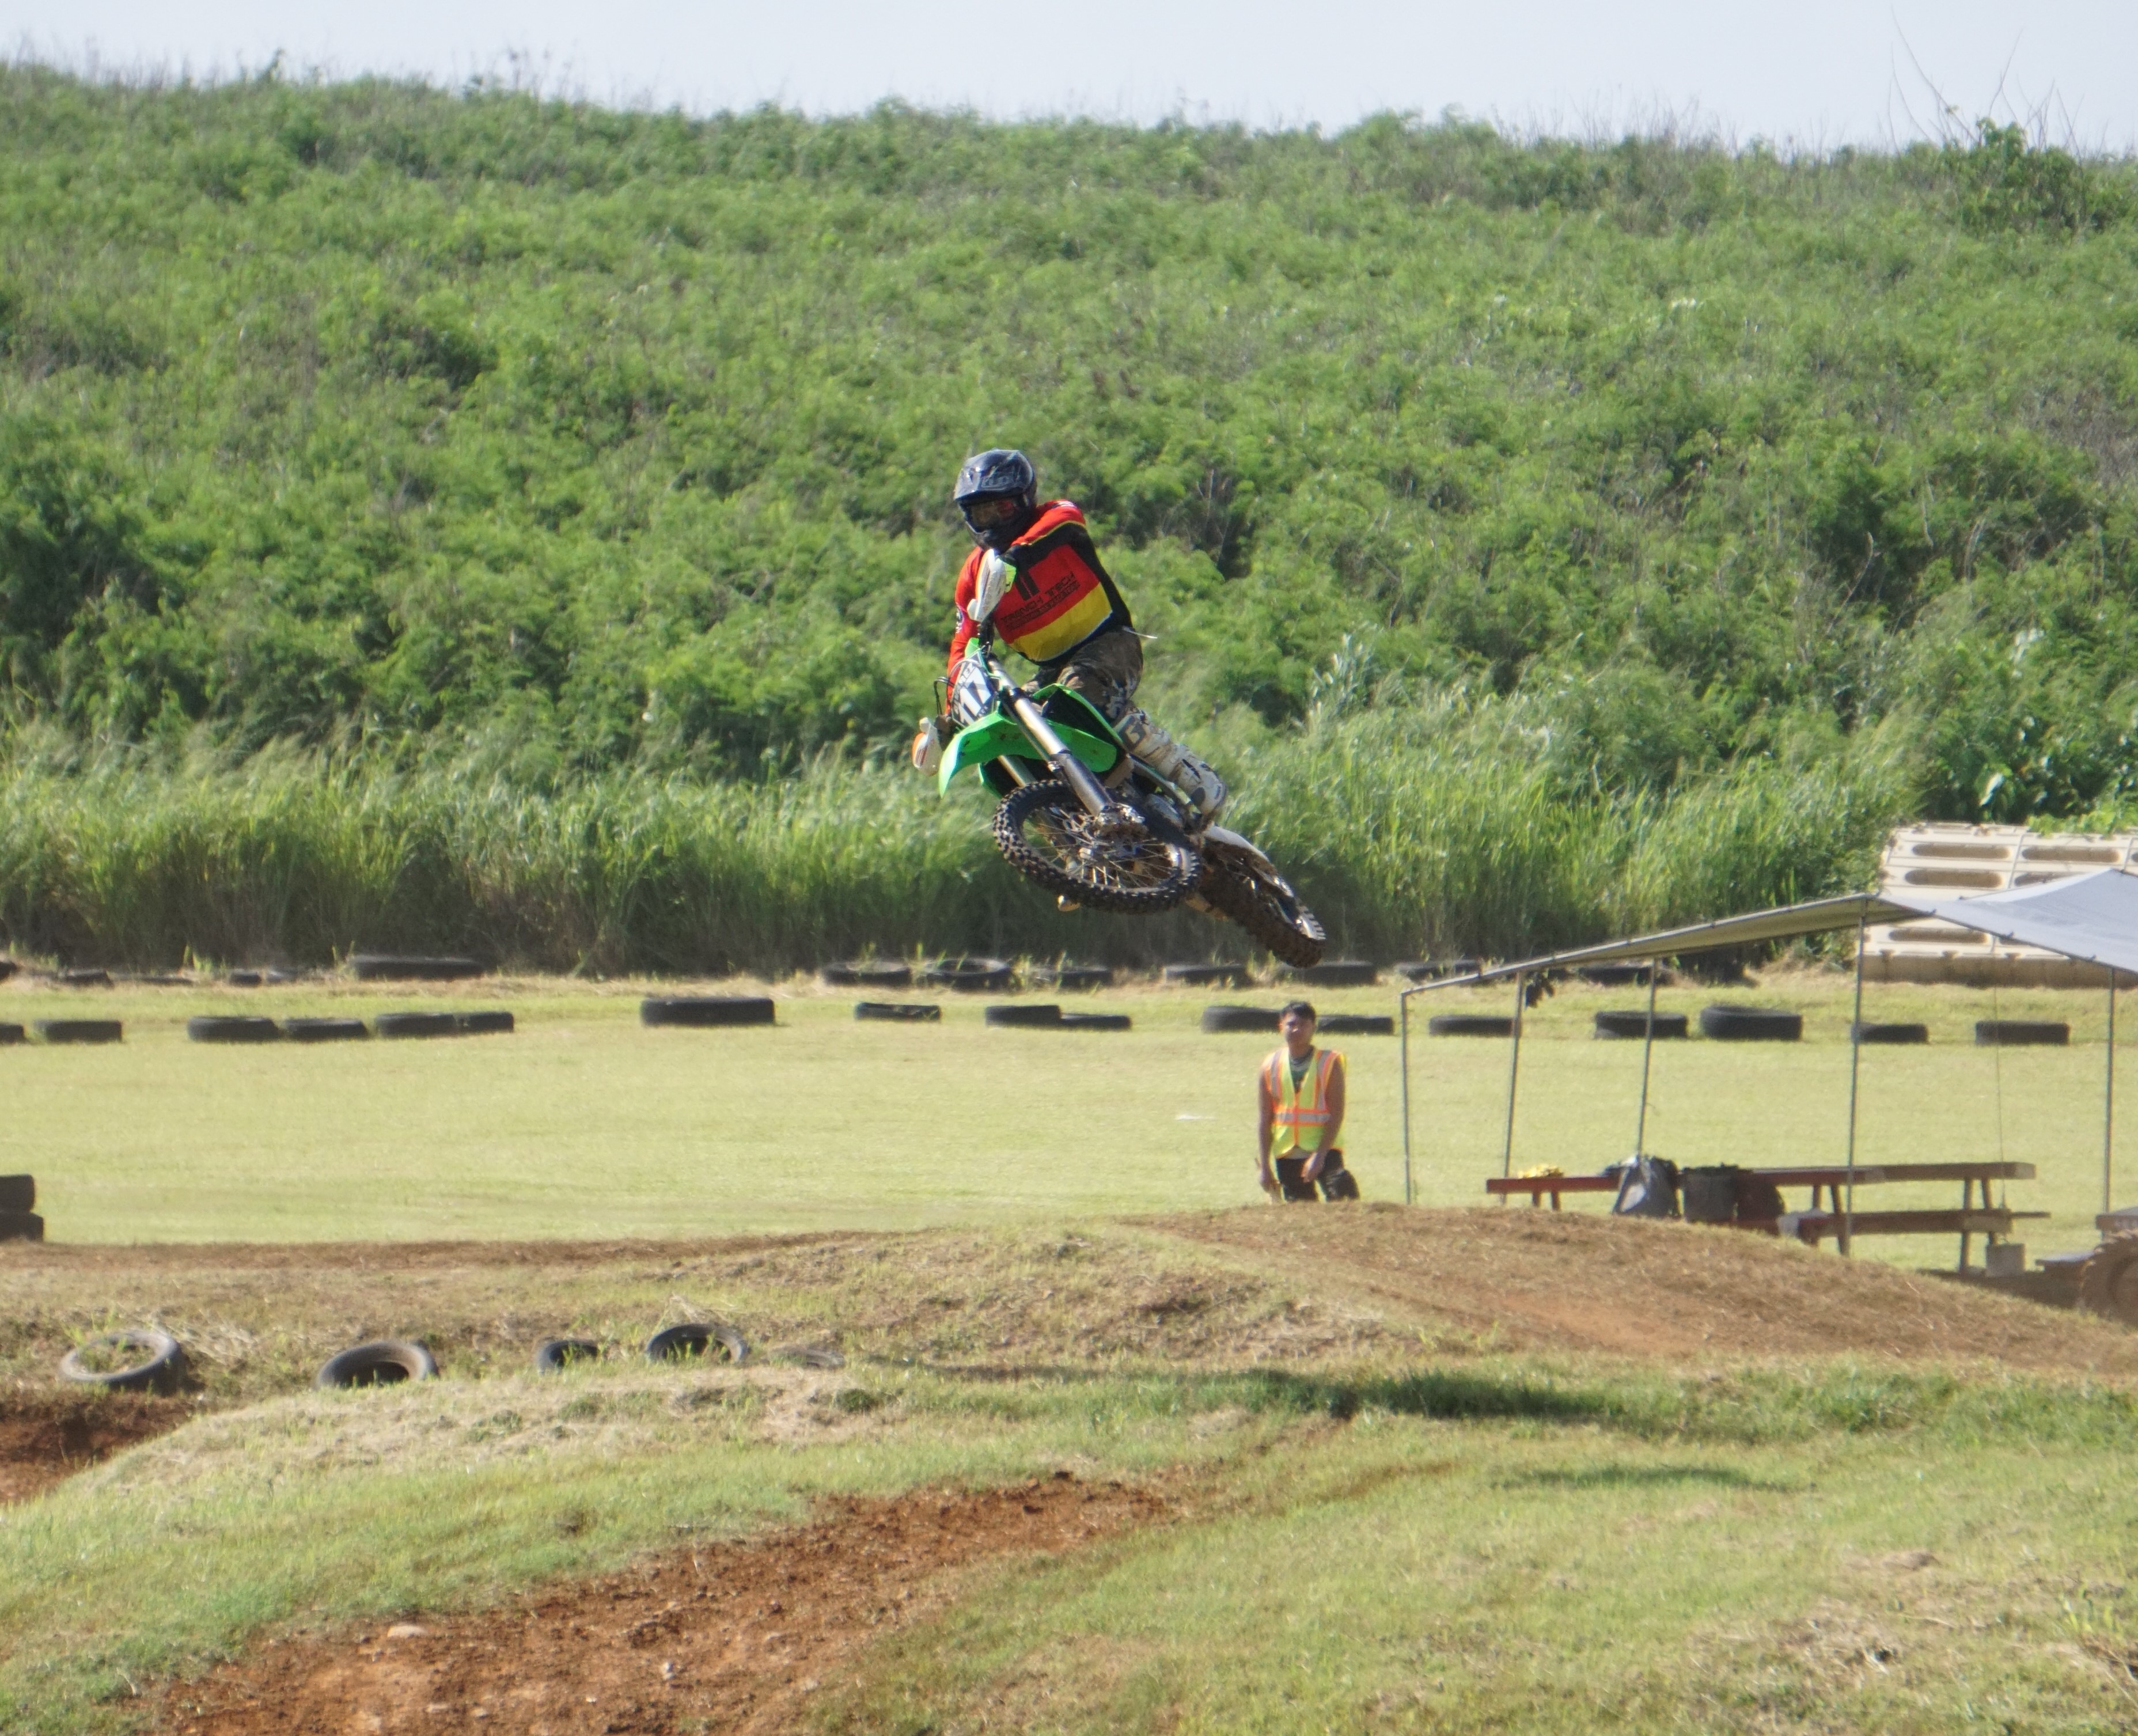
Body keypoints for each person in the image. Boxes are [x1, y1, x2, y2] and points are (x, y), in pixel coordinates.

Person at [916, 448, 1227, 821]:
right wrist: (950, 712)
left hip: (1110, 642)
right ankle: (1071, 830)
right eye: (983, 513)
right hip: (1050, 671)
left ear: (1024, 500)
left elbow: (1061, 524)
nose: (993, 520)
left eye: (1001, 509)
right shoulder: (973, 574)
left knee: (1079, 691)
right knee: (1011, 722)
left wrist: (1013, 561)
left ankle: (1185, 770)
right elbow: (962, 642)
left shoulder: (1057, 516)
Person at [1256, 1000, 1360, 1203]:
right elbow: (1264, 1118)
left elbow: (1337, 1113)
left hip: (1325, 1147)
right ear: (1281, 1026)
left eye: (1303, 1025)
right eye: (1291, 1024)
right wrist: (1265, 1166)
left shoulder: (1330, 1063)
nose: (1296, 1029)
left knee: (1342, 1192)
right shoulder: (1270, 1065)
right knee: (1301, 1209)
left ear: (1314, 1027)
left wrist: (1319, 1157)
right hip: (1288, 1151)